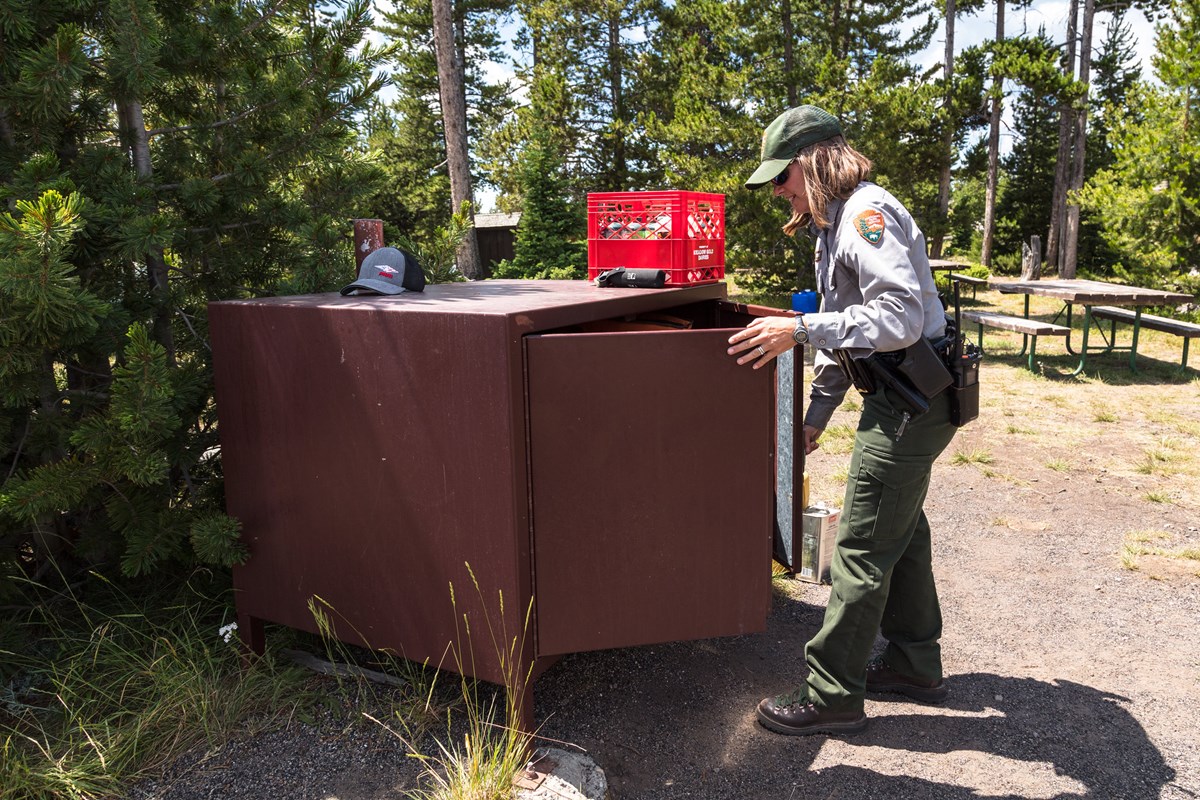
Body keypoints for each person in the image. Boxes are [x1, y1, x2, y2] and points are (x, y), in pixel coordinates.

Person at [727, 104, 959, 736]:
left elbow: (898, 320)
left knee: (860, 544)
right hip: (903, 396)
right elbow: (853, 334)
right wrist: (816, 414)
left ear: (812, 162)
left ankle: (831, 694)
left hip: (913, 403)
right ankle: (914, 663)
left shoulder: (865, 215)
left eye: (783, 177)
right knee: (900, 532)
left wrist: (797, 329)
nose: (780, 192)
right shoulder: (835, 223)